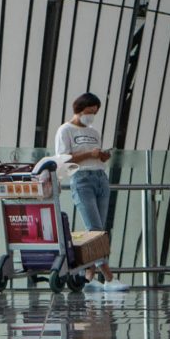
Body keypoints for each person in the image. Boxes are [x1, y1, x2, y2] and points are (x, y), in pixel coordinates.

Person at [54, 90, 114, 280]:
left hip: (100, 177)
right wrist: (89, 154)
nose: (92, 116)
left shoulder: (94, 132)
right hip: (81, 178)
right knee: (95, 228)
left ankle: (89, 274)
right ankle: (108, 275)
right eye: (89, 111)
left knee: (99, 229)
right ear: (79, 109)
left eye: (95, 112)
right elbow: (62, 159)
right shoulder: (65, 130)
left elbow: (97, 156)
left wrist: (102, 156)